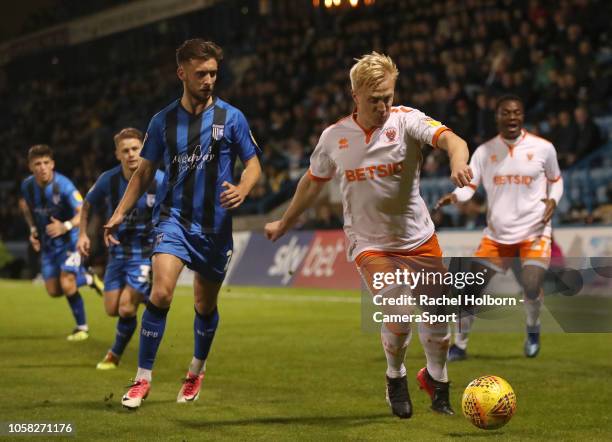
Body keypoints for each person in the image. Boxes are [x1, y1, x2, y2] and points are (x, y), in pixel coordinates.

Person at [265, 52, 472, 419]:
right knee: (399, 313)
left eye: (388, 97)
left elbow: (452, 140)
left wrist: (458, 162)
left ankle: (437, 380)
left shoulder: (408, 121)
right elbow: (313, 183)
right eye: (374, 99)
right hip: (370, 243)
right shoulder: (334, 137)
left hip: (418, 237)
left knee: (439, 324)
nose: (382, 106)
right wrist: (285, 222)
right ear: (354, 95)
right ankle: (396, 377)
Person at [103, 39, 261, 409]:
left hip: (215, 228)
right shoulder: (162, 122)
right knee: (160, 293)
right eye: (201, 73)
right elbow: (143, 174)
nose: (208, 80)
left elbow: (253, 163)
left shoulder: (232, 117)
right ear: (182, 73)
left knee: (204, 307)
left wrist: (243, 188)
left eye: (213, 73)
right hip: (173, 219)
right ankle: (142, 379)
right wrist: (120, 213)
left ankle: (195, 370)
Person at [436, 94, 563, 360]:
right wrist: (455, 196)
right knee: (469, 288)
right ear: (497, 117)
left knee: (530, 284)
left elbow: (556, 180)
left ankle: (532, 328)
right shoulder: (484, 152)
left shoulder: (543, 148)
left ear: (523, 116)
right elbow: (470, 187)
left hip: (534, 231)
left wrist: (553, 198)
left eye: (516, 112)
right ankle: (459, 345)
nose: (512, 117)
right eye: (506, 113)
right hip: (497, 236)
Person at [77, 128, 164, 370]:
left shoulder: (159, 180)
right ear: (117, 154)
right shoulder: (108, 179)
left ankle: (113, 355)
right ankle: (148, 295)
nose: (131, 154)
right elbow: (87, 205)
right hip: (117, 253)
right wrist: (82, 233)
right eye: (125, 150)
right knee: (112, 310)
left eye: (135, 148)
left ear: (143, 150)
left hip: (145, 253)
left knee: (126, 307)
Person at [19, 144, 104, 341]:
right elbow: (26, 208)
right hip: (49, 245)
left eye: (46, 163)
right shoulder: (27, 186)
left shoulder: (64, 186)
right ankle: (89, 279)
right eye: (37, 163)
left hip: (70, 241)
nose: (42, 167)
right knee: (54, 290)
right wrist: (33, 230)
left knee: (67, 282)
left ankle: (82, 327)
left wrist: (65, 226)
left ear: (53, 164)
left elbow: (82, 211)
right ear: (30, 166)